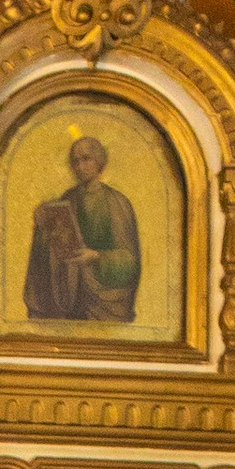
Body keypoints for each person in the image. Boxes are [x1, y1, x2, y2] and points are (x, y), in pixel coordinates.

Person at [23, 134, 141, 329]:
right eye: (76, 161)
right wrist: (43, 225)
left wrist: (95, 256)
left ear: (99, 162)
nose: (80, 166)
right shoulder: (68, 198)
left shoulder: (117, 203)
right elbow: (53, 248)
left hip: (104, 300)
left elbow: (129, 260)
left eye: (86, 159)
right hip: (71, 292)